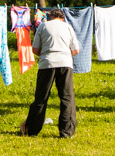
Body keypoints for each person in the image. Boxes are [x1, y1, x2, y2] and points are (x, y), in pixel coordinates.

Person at [20, 7, 80, 138]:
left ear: (50, 16)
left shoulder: (43, 26)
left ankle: (31, 129)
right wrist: (65, 55)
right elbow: (76, 50)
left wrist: (47, 54)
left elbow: (35, 49)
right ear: (62, 17)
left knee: (41, 97)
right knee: (67, 97)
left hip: (47, 63)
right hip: (65, 63)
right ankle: (67, 131)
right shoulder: (68, 27)